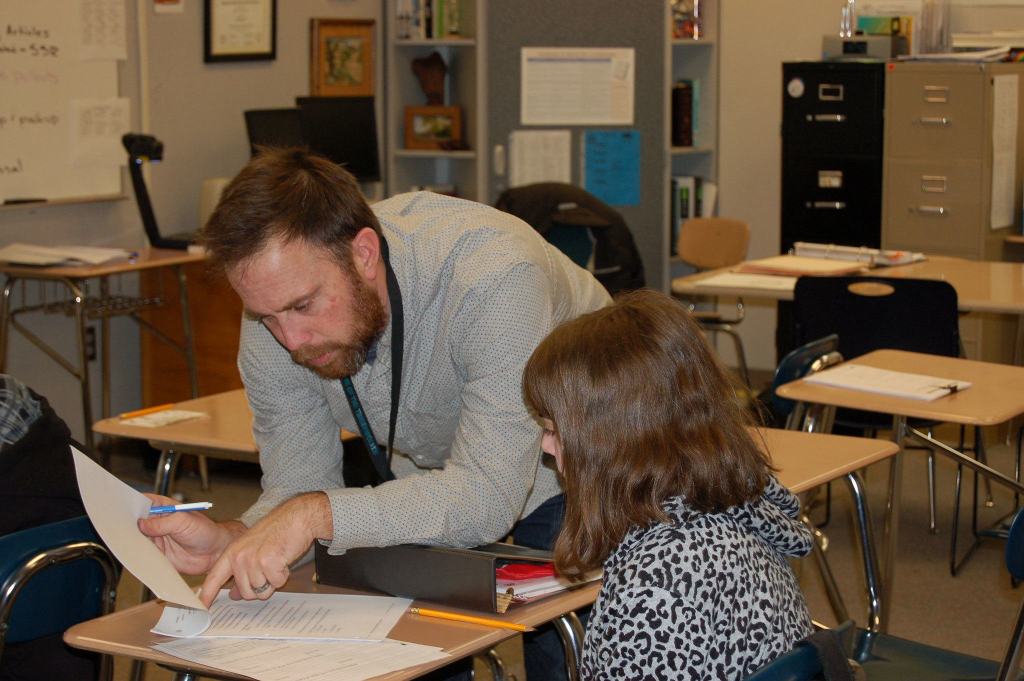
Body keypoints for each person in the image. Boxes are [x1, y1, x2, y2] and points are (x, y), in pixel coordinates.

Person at [138, 148, 610, 679]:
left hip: (579, 459)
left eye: (303, 306)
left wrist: (315, 515)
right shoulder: (273, 317)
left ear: (364, 254)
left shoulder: (493, 275)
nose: (291, 340)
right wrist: (237, 538)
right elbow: (298, 488)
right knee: (416, 650)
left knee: (561, 657)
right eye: (266, 316)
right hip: (438, 473)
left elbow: (485, 496)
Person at [521, 289, 814, 679]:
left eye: (553, 430)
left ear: (609, 442)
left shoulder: (655, 588)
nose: (545, 446)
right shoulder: (730, 510)